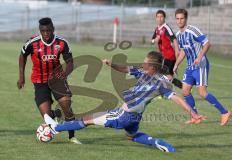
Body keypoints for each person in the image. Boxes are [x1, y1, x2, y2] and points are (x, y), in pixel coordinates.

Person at [44, 51, 203, 152]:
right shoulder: (145, 72)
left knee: (88, 120)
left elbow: (176, 98)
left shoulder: (161, 83)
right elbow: (125, 68)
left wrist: (192, 112)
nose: (144, 63)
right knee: (131, 136)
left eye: (147, 62)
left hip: (124, 116)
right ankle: (158, 143)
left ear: (153, 66)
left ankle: (55, 128)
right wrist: (111, 64)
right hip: (135, 117)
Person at [17, 17, 81, 144]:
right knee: (47, 117)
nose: (46, 33)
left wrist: (64, 75)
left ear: (53, 29)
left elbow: (70, 63)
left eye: (49, 30)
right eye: (43, 31)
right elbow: (22, 56)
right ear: (40, 30)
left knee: (66, 106)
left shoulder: (62, 43)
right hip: (39, 81)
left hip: (57, 79)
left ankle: (72, 136)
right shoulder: (32, 43)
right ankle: (54, 113)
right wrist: (21, 77)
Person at [173, 9, 231, 125]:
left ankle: (224, 112)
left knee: (202, 92)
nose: (179, 21)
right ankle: (195, 116)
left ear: (186, 19)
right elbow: (184, 50)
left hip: (201, 65)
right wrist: (176, 64)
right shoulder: (179, 35)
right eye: (177, 19)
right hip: (190, 67)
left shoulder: (193, 30)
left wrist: (199, 57)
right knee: (185, 91)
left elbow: (207, 43)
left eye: (182, 18)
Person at [151, 10, 182, 89]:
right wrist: (155, 40)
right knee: (168, 76)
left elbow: (174, 39)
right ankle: (183, 87)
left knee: (161, 74)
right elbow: (152, 40)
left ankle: (165, 92)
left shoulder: (166, 28)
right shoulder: (157, 29)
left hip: (169, 56)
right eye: (158, 17)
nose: (159, 18)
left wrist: (177, 51)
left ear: (164, 18)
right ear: (156, 18)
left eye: (161, 17)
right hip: (163, 56)